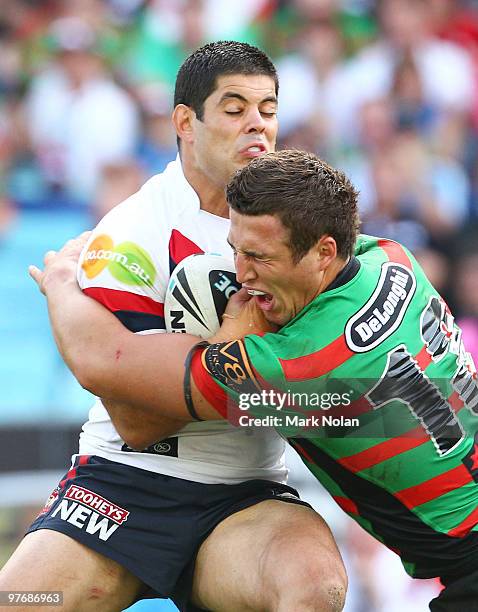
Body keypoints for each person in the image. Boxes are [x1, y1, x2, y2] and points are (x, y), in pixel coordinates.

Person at [29, 149, 478, 612]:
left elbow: (113, 383)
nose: (240, 274)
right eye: (235, 249)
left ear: (323, 253)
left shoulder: (308, 367)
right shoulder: (390, 258)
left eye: (259, 257)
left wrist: (62, 282)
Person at [0, 46, 348, 612]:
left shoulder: (300, 233)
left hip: (247, 490)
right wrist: (231, 354)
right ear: (186, 122)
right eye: (234, 108)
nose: (256, 123)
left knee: (316, 590)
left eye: (267, 108)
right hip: (124, 484)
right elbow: (135, 421)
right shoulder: (131, 235)